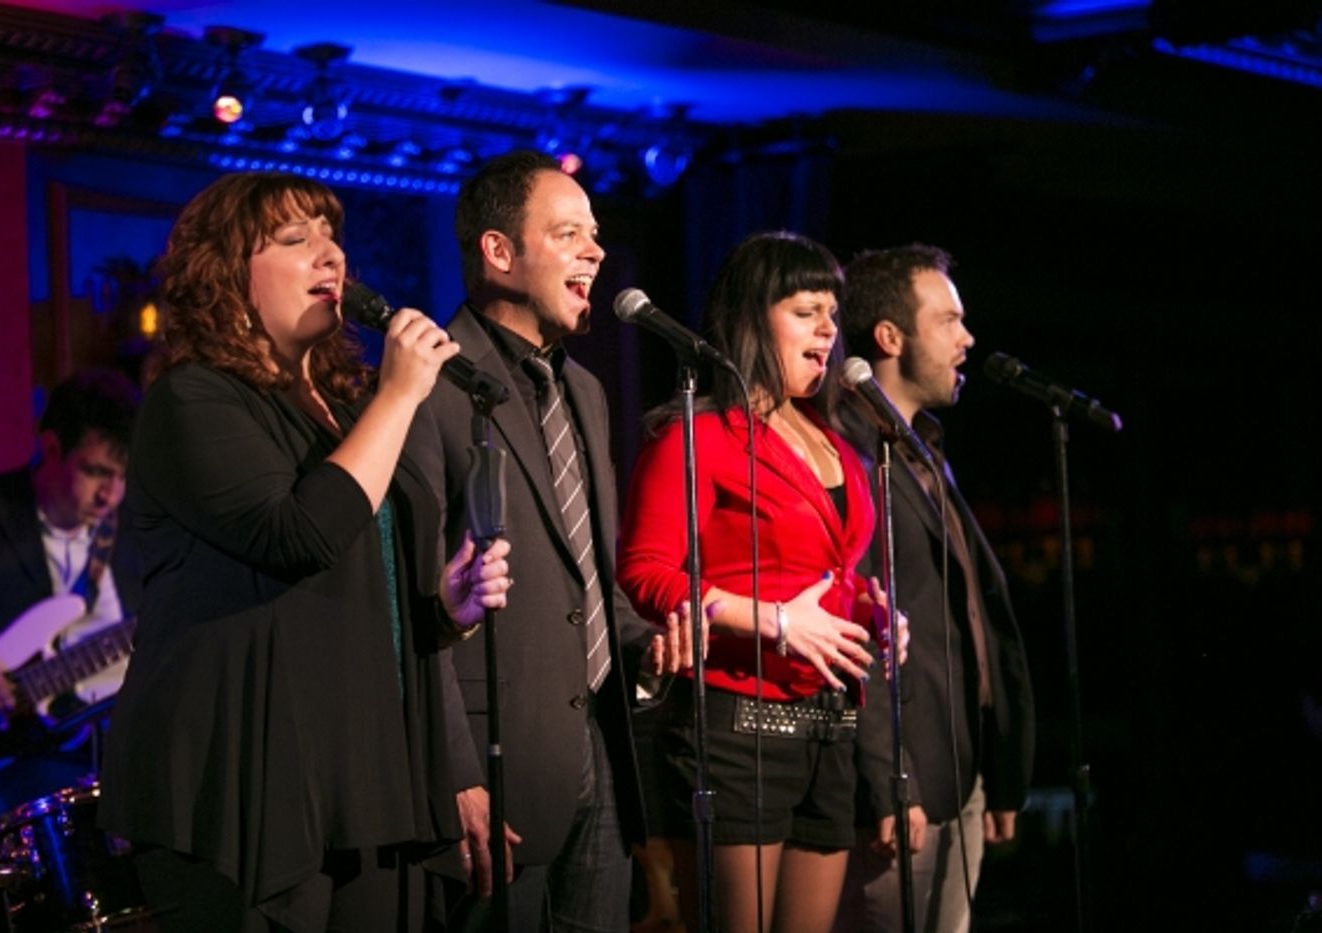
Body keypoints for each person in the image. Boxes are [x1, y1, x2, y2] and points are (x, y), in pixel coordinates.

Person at [97, 172, 510, 932]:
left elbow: (361, 582)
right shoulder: (191, 401)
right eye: (296, 240)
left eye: (331, 235)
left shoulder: (348, 407)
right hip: (246, 787)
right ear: (226, 276)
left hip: (366, 778)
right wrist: (398, 395)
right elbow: (299, 536)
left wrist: (442, 609)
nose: (331, 255)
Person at [397, 150, 690, 932]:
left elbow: (588, 575)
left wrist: (641, 642)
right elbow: (406, 602)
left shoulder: (585, 390)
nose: (596, 251)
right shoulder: (426, 384)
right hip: (496, 777)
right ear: (499, 251)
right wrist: (452, 772)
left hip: (597, 759)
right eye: (568, 234)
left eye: (595, 235)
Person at [618, 231, 881, 933]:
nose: (829, 329)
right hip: (739, 726)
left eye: (833, 311)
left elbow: (829, 570)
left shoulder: (831, 438)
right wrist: (772, 619)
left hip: (832, 723)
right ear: (752, 317)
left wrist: (872, 612)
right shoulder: (697, 436)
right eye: (806, 310)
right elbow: (643, 574)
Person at [837, 244, 1035, 933]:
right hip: (907, 784)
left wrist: (998, 770)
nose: (967, 337)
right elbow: (858, 626)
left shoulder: (922, 448)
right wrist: (890, 777)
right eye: (948, 319)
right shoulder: (852, 456)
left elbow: (975, 618)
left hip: (960, 769)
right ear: (890, 337)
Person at [0, 367, 141, 836]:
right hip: (14, 771)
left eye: (122, 476)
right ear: (52, 448)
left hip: (128, 751)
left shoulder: (141, 524)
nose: (111, 494)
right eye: (96, 472)